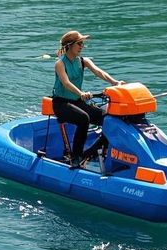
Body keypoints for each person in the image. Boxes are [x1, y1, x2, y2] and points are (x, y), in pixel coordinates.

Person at [52, 30, 123, 168]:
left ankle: (93, 153)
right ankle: (76, 157)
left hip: (77, 101)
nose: (82, 46)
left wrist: (115, 83)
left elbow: (99, 72)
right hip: (61, 104)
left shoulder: (84, 61)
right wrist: (81, 93)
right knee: (84, 119)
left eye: (82, 43)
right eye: (79, 43)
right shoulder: (60, 64)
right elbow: (66, 83)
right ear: (70, 46)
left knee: (108, 120)